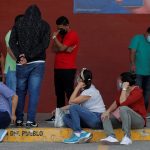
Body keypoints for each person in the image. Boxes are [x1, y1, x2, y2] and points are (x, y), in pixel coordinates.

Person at [9, 5, 51, 127]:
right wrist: (30, 56)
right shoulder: (44, 25)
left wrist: (20, 56)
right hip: (37, 63)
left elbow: (12, 42)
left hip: (21, 63)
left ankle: (19, 119)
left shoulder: (18, 24)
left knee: (20, 92)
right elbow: (45, 44)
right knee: (34, 92)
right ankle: (31, 120)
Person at [47, 16, 79, 121]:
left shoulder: (72, 34)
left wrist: (56, 39)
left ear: (67, 25)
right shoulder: (60, 35)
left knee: (69, 93)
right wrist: (64, 48)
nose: (59, 30)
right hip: (58, 68)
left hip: (68, 68)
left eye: (61, 28)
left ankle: (73, 114)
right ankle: (58, 115)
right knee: (59, 93)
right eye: (58, 28)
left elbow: (60, 48)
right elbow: (54, 48)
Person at [100, 72, 146, 145]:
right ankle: (111, 136)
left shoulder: (137, 92)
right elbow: (116, 102)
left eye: (120, 81)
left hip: (138, 121)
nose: (119, 82)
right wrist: (107, 111)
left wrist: (124, 88)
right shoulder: (123, 91)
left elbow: (122, 103)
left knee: (123, 108)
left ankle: (127, 137)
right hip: (125, 120)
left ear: (126, 82)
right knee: (105, 116)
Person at [61, 68, 106, 144]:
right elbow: (75, 104)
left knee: (73, 107)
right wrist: (60, 109)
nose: (77, 79)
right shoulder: (87, 89)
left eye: (79, 77)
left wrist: (77, 87)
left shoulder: (90, 91)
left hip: (97, 119)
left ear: (82, 81)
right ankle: (82, 133)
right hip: (89, 118)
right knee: (66, 117)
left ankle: (78, 133)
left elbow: (71, 102)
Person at [129, 27, 150, 111]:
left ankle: (143, 113)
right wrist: (133, 64)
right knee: (137, 93)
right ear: (147, 33)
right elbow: (132, 52)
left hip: (149, 73)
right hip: (138, 72)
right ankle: (135, 112)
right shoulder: (137, 38)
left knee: (147, 93)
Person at [4, 15, 23, 92]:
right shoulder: (10, 34)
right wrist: (20, 61)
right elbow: (10, 51)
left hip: (19, 69)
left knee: (19, 95)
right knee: (12, 95)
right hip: (12, 69)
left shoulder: (22, 36)